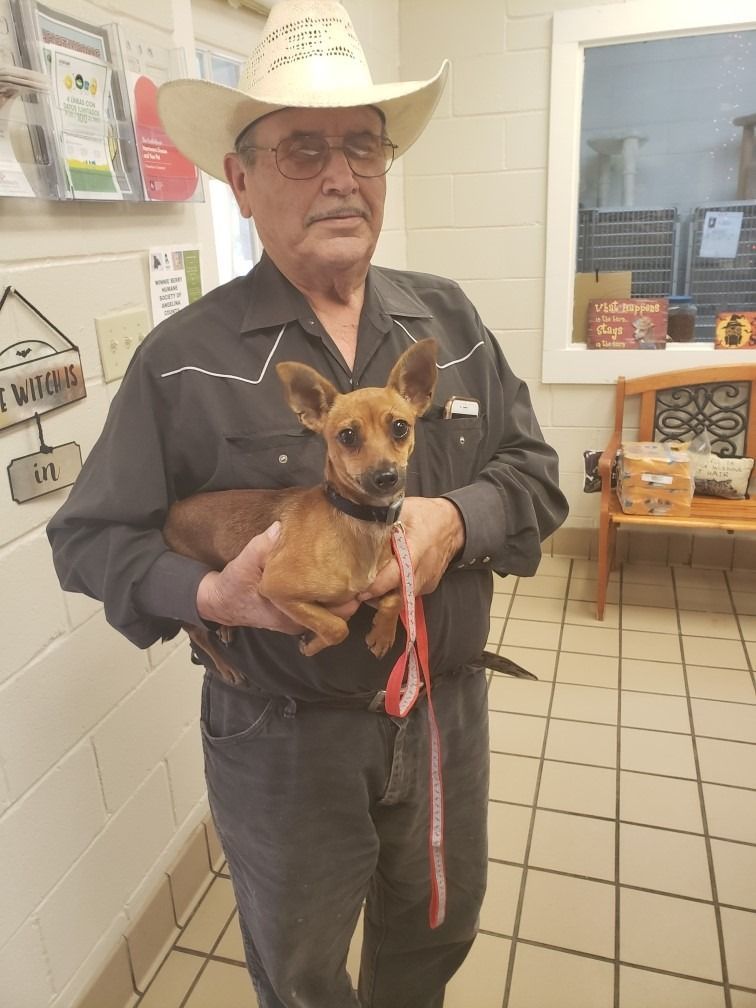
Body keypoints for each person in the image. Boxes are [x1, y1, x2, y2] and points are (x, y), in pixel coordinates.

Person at [47, 3, 568, 1006]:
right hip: (285, 738)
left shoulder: (448, 324)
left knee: (434, 938)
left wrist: (456, 519)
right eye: (301, 150)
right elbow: (89, 539)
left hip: (443, 707)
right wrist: (210, 597)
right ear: (239, 180)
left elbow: (537, 477)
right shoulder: (180, 363)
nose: (341, 174)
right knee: (300, 970)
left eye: (362, 146)